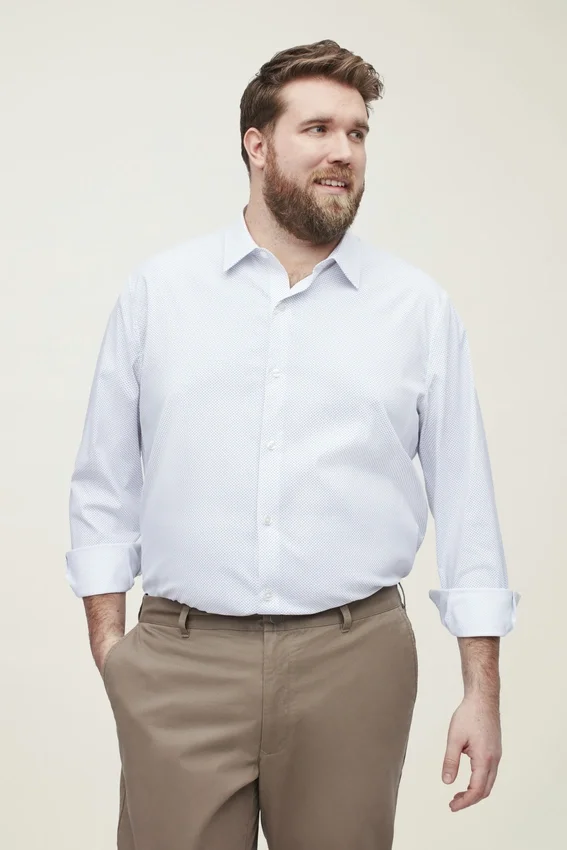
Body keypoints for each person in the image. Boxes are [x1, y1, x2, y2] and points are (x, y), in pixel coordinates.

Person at [65, 39, 520, 850]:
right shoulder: (160, 294)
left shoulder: (415, 308)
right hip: (181, 658)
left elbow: (466, 503)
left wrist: (480, 692)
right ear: (256, 144)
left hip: (354, 661)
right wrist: (112, 649)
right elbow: (105, 481)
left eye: (356, 132)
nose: (343, 151)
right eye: (317, 129)